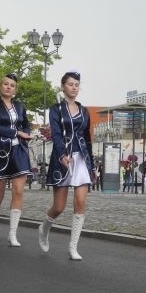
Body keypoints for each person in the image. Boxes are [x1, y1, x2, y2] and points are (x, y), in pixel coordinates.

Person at [38, 71, 94, 261]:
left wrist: (91, 165)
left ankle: (73, 247)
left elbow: (87, 138)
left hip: (81, 159)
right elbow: (56, 134)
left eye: (77, 84)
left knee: (80, 201)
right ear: (63, 87)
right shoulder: (56, 109)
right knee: (59, 207)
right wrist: (62, 154)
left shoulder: (84, 110)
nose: (74, 87)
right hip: (62, 159)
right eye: (70, 84)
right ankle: (44, 228)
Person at [0, 73, 32, 246]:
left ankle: (13, 234)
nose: (8, 87)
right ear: (0, 86)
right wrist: (15, 132)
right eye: (6, 84)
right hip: (0, 151)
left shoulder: (20, 106)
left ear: (15, 89)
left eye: (12, 85)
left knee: (18, 191)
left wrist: (26, 133)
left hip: (19, 150)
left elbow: (25, 123)